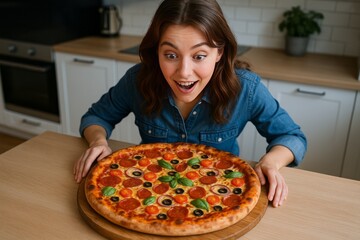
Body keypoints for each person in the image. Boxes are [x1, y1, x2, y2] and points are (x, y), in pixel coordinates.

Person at [73, 0, 307, 208]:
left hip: (220, 200)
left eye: (199, 56)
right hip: (149, 200)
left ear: (219, 53)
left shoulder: (246, 88)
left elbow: (292, 137)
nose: (184, 73)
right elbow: (96, 117)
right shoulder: (138, 80)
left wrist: (271, 162)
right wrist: (98, 141)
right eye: (171, 55)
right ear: (157, 53)